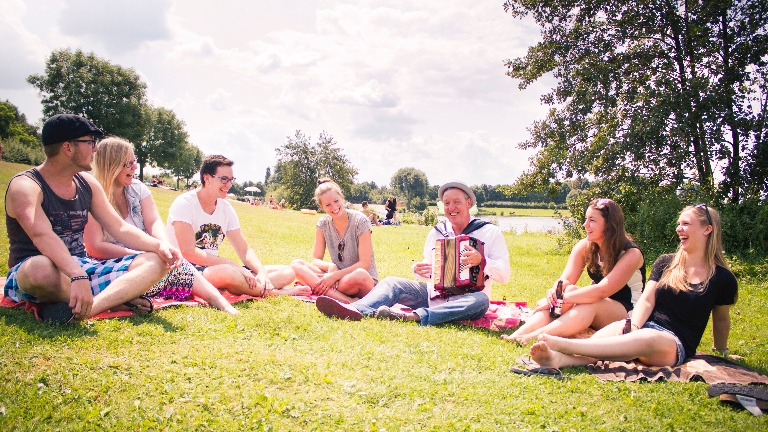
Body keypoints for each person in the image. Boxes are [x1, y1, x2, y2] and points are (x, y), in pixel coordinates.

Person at [3, 114, 182, 324]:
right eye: (90, 142)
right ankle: (113, 299)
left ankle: (90, 307)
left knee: (155, 261)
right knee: (37, 270)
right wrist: (76, 276)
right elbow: (41, 235)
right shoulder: (25, 186)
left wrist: (159, 246)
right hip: (41, 269)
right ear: (68, 148)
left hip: (82, 267)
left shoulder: (86, 183)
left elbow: (119, 228)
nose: (95, 149)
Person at [527, 204, 737, 369]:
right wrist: (632, 327)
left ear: (707, 230)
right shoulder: (666, 263)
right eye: (679, 223)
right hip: (643, 326)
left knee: (648, 338)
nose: (679, 229)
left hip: (673, 343)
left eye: (686, 224)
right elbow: (647, 300)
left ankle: (562, 344)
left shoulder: (722, 278)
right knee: (606, 340)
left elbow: (721, 318)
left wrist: (721, 350)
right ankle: (559, 360)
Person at [315, 181, 510, 326]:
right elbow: (430, 269)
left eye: (457, 202)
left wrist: (482, 262)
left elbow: (504, 275)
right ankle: (355, 310)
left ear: (468, 203)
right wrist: (418, 270)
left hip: (468, 298)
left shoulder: (489, 232)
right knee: (392, 281)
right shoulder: (437, 232)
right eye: (446, 203)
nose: (451, 208)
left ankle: (413, 317)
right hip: (435, 296)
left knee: (482, 300)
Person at [83, 137, 238, 314]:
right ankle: (123, 298)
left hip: (147, 255)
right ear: (112, 165)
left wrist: (164, 246)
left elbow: (153, 221)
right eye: (128, 164)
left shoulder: (137, 189)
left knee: (174, 263)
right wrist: (144, 253)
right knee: (157, 265)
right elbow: (95, 247)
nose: (135, 167)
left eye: (135, 162)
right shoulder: (93, 194)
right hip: (113, 262)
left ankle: (219, 301)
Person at [502, 198, 645, 344]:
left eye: (592, 220)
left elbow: (602, 291)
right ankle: (518, 334)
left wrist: (562, 298)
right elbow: (566, 279)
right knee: (569, 289)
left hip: (628, 311)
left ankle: (533, 337)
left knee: (586, 302)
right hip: (598, 302)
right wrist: (554, 293)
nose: (585, 224)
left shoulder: (631, 254)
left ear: (609, 225)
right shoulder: (586, 246)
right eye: (586, 219)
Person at [166, 155, 308, 298]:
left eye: (231, 180)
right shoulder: (185, 203)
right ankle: (275, 293)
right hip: (187, 272)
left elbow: (244, 249)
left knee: (287, 272)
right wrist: (234, 265)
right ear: (207, 178)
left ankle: (237, 286)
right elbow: (188, 252)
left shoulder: (225, 208)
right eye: (223, 179)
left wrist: (261, 273)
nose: (228, 185)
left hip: (213, 268)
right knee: (227, 272)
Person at [291, 179, 378, 302]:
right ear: (321, 207)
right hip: (337, 281)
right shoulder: (323, 224)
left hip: (359, 281)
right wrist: (331, 267)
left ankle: (324, 289)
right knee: (296, 265)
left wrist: (334, 276)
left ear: (342, 197)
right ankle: (347, 300)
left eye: (336, 201)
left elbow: (364, 264)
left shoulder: (361, 221)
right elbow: (315, 260)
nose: (334, 207)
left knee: (360, 275)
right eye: (327, 205)